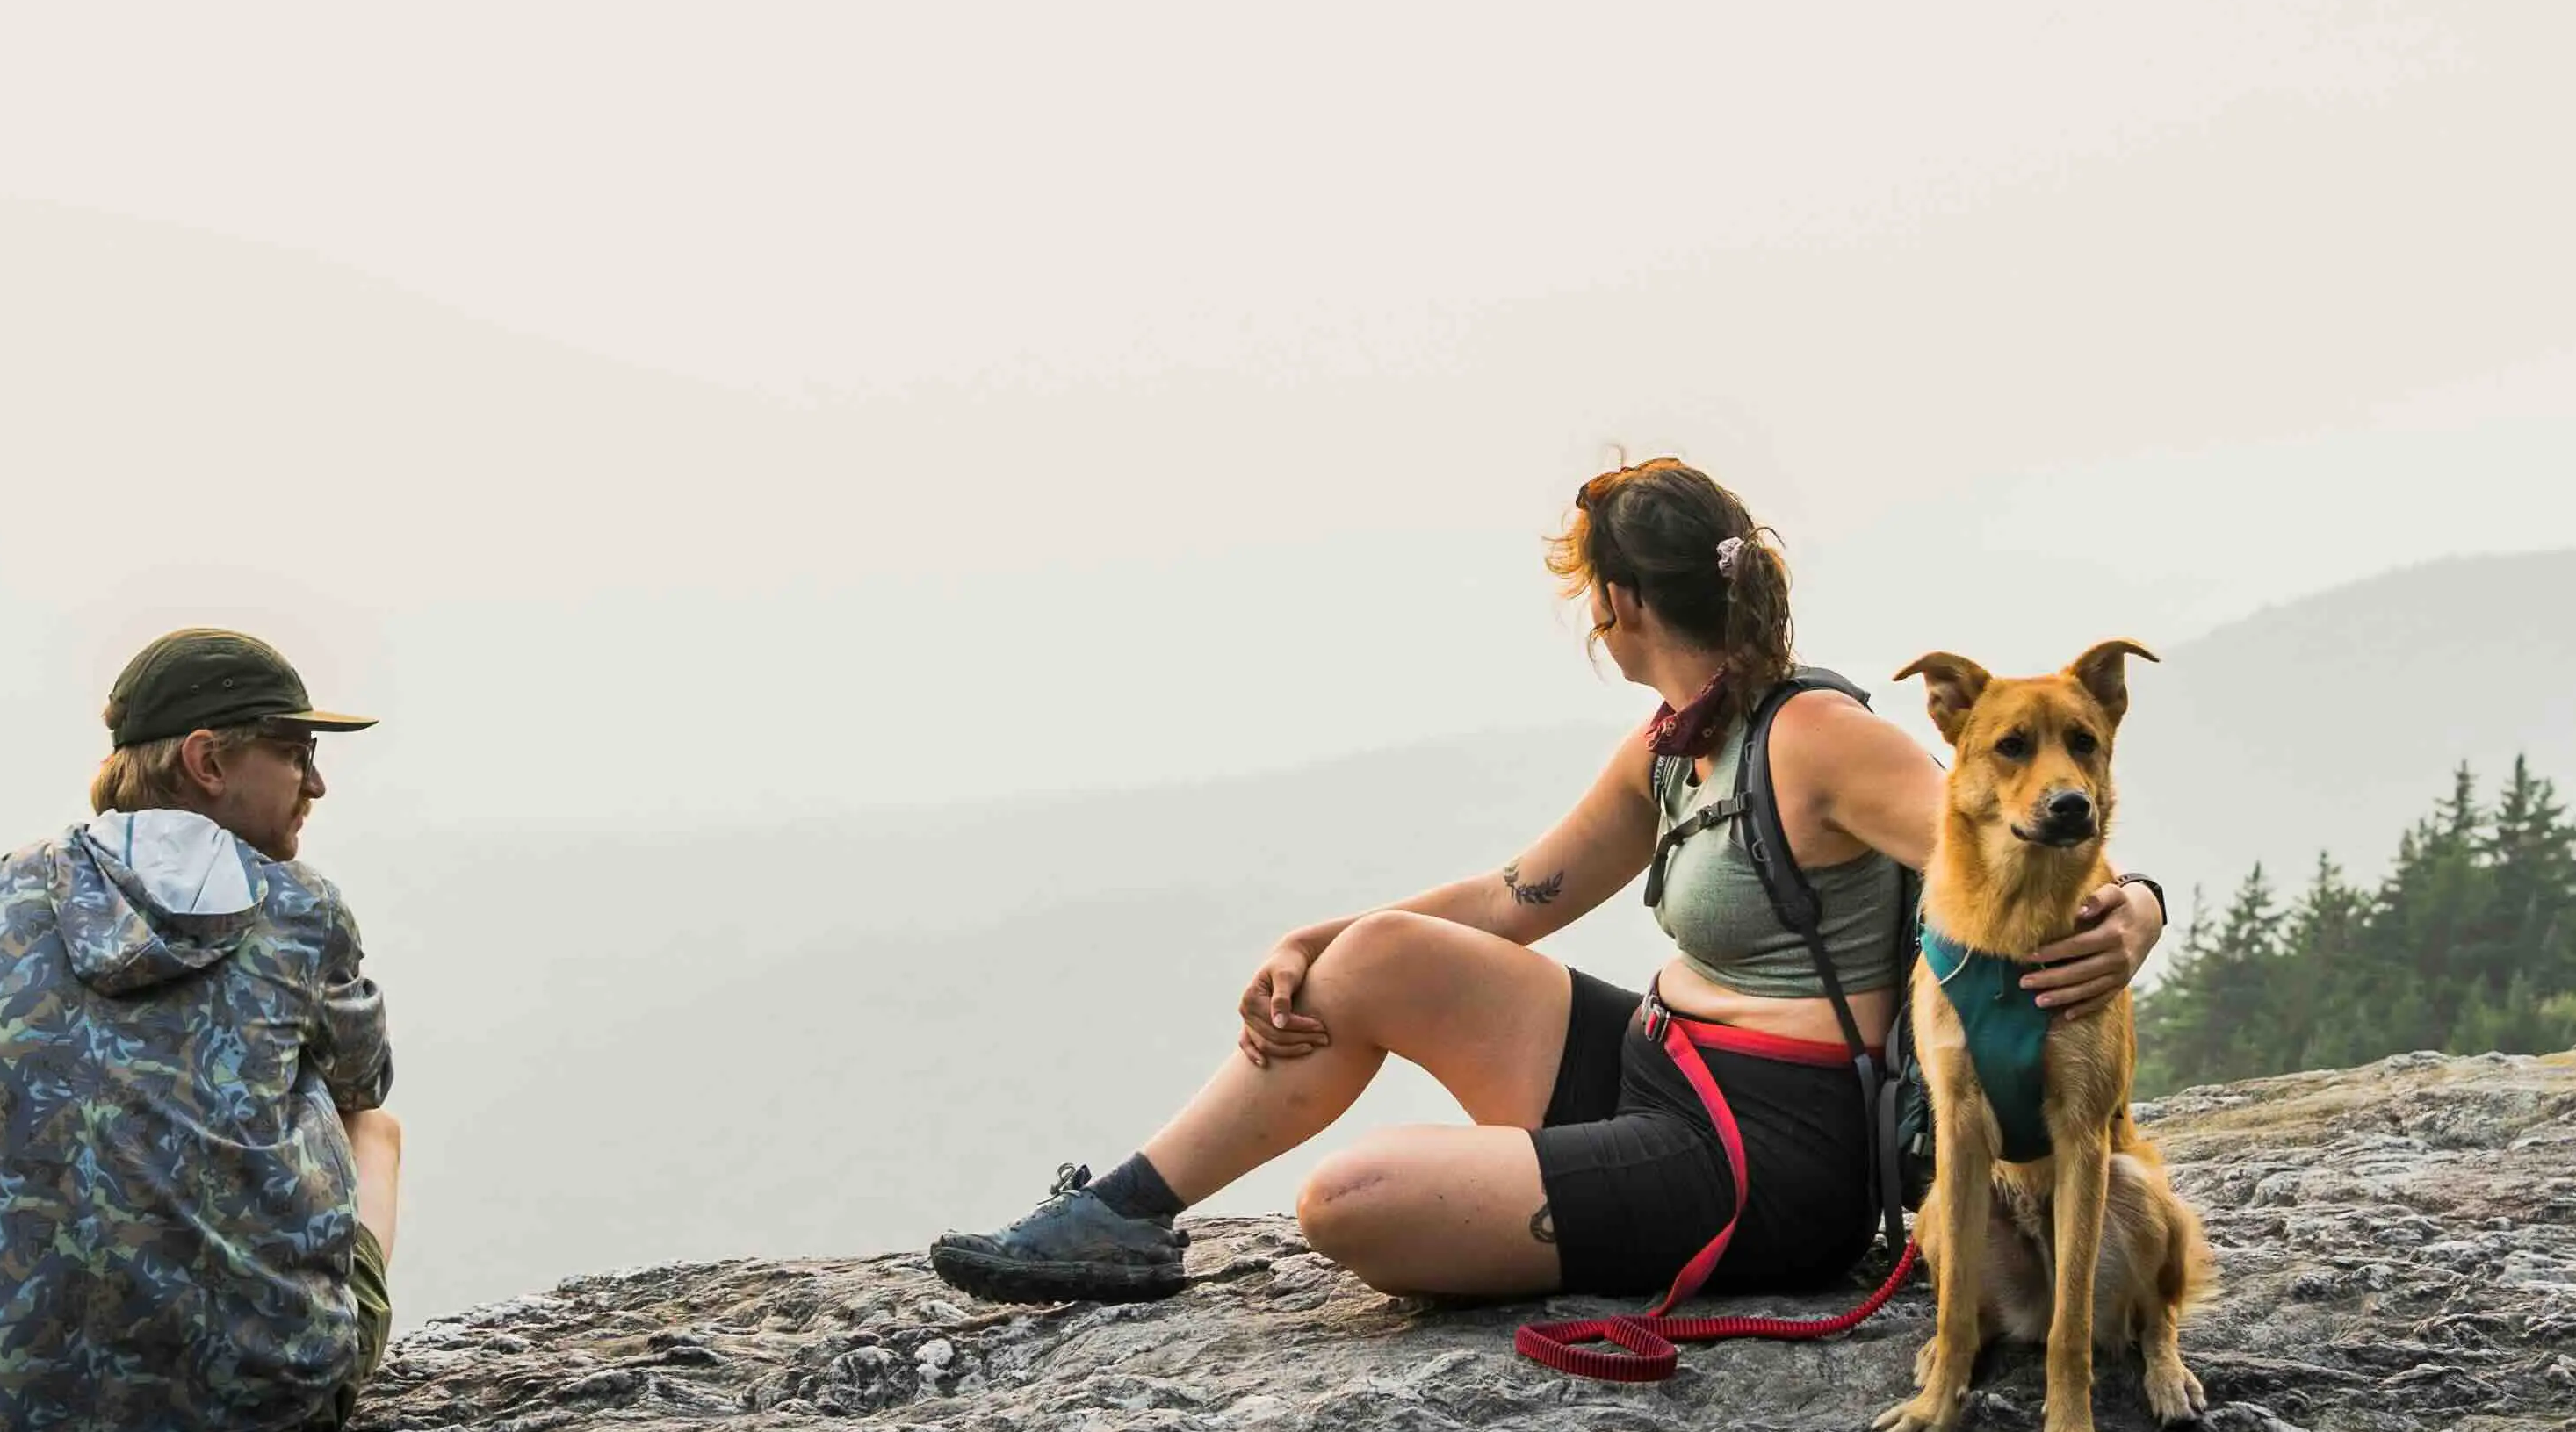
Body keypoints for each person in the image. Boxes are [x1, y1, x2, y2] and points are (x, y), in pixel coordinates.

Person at [927, 458, 2164, 1311]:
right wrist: (1313, 937)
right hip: (1663, 1069)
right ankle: (1123, 1218)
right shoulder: (1680, 740)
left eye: (1592, 601)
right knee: (1377, 959)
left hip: (1774, 1158)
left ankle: (1590, 1205)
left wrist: (2138, 908)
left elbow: (2024, 824)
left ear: (1622, 602)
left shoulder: (1817, 739)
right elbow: (1520, 897)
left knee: (1348, 1203)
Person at [0, 627, 407, 1432]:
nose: (315, 783)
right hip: (269, 1415)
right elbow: (362, 1084)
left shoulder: (7, 893)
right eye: (294, 752)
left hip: (11, 1429)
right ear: (208, 761)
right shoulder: (301, 909)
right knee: (373, 1127)